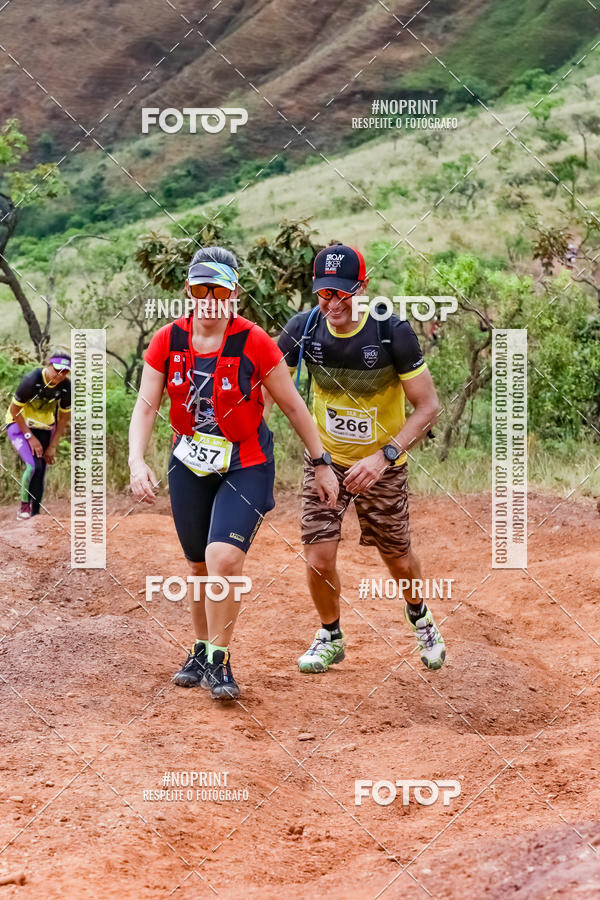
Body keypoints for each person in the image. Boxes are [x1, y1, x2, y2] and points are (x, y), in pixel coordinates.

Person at [129, 246, 338, 701]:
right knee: (199, 566)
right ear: (189, 291)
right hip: (189, 462)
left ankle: (220, 659)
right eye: (200, 289)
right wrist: (136, 459)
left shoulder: (254, 342)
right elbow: (147, 405)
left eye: (218, 290)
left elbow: (292, 406)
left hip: (246, 462)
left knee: (224, 559)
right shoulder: (168, 340)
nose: (209, 298)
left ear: (233, 294)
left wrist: (321, 464)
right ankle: (201, 649)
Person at [275, 243, 447, 674]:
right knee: (319, 555)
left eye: (342, 293)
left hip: (382, 465)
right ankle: (330, 635)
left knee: (398, 556)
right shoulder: (304, 328)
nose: (333, 303)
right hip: (325, 462)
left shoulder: (392, 332)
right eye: (324, 294)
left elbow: (428, 408)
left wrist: (384, 457)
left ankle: (419, 615)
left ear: (362, 288)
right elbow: (267, 382)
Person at [5, 350, 71, 520]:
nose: (60, 374)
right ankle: (24, 507)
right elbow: (14, 410)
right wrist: (30, 437)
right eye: (57, 369)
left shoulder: (65, 387)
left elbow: (63, 418)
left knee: (41, 471)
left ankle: (35, 515)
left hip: (45, 427)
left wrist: (53, 445)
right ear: (48, 366)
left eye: (65, 371)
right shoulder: (32, 380)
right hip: (19, 424)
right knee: (32, 467)